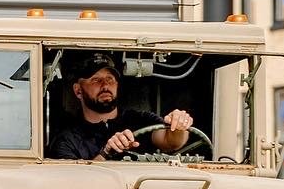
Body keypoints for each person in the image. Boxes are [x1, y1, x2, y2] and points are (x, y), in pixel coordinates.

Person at [47, 52, 194, 161]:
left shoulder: (140, 120)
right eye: (96, 80)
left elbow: (171, 141)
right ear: (78, 90)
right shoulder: (67, 139)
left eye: (110, 79)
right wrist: (106, 153)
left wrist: (179, 124)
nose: (105, 85)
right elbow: (72, 185)